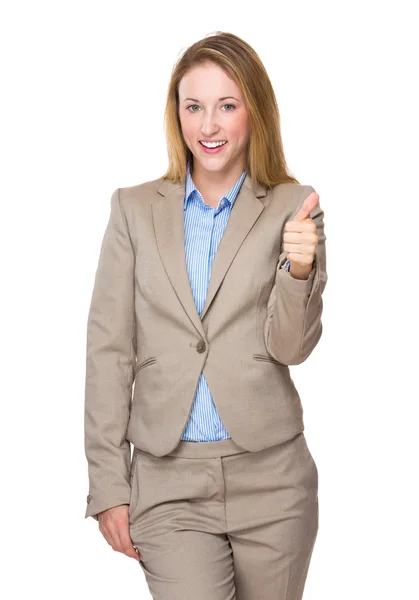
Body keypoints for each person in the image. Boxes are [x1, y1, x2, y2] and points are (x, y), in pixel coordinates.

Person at [84, 31, 327, 600]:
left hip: (273, 481)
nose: (208, 126)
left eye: (227, 105)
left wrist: (298, 271)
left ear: (254, 112)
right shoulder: (134, 209)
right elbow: (108, 350)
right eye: (193, 107)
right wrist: (107, 484)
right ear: (177, 114)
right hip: (169, 481)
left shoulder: (296, 207)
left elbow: (291, 348)